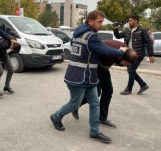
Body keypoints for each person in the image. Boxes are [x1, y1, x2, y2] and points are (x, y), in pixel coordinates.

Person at [50, 10, 128, 144]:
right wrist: (120, 51)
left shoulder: (79, 33)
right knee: (74, 103)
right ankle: (55, 116)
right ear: (90, 21)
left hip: (88, 76)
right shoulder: (90, 36)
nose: (101, 24)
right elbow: (103, 49)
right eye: (99, 22)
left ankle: (94, 132)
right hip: (78, 77)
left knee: (95, 104)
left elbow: (94, 52)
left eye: (102, 21)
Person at [72, 40, 138, 128]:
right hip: (95, 67)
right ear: (120, 57)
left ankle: (102, 118)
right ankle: (75, 106)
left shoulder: (125, 51)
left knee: (108, 91)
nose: (126, 66)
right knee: (97, 92)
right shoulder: (111, 52)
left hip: (104, 68)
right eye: (126, 64)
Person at [113, 15, 155, 95]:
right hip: (129, 54)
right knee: (130, 71)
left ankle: (129, 89)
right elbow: (118, 36)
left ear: (136, 21)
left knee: (131, 70)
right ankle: (143, 85)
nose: (129, 22)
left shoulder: (142, 30)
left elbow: (149, 42)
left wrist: (151, 55)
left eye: (130, 20)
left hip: (138, 54)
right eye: (129, 20)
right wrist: (115, 28)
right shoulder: (127, 30)